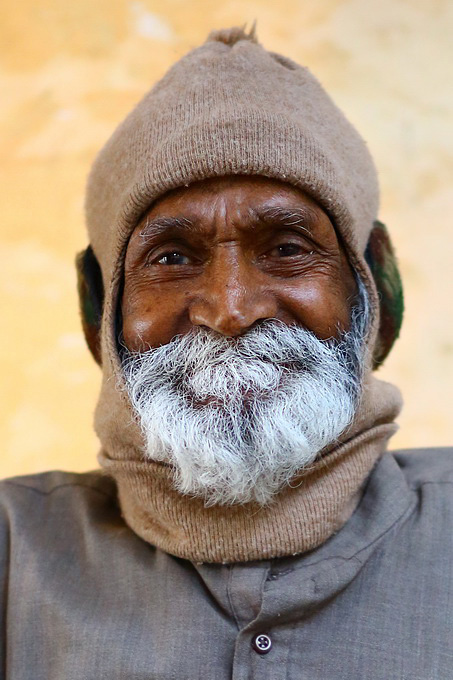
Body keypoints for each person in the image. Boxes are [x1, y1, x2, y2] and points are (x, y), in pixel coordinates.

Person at [1, 25, 451, 679]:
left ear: (372, 290)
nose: (231, 310)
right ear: (102, 309)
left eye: (288, 247)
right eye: (172, 257)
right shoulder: (15, 556)